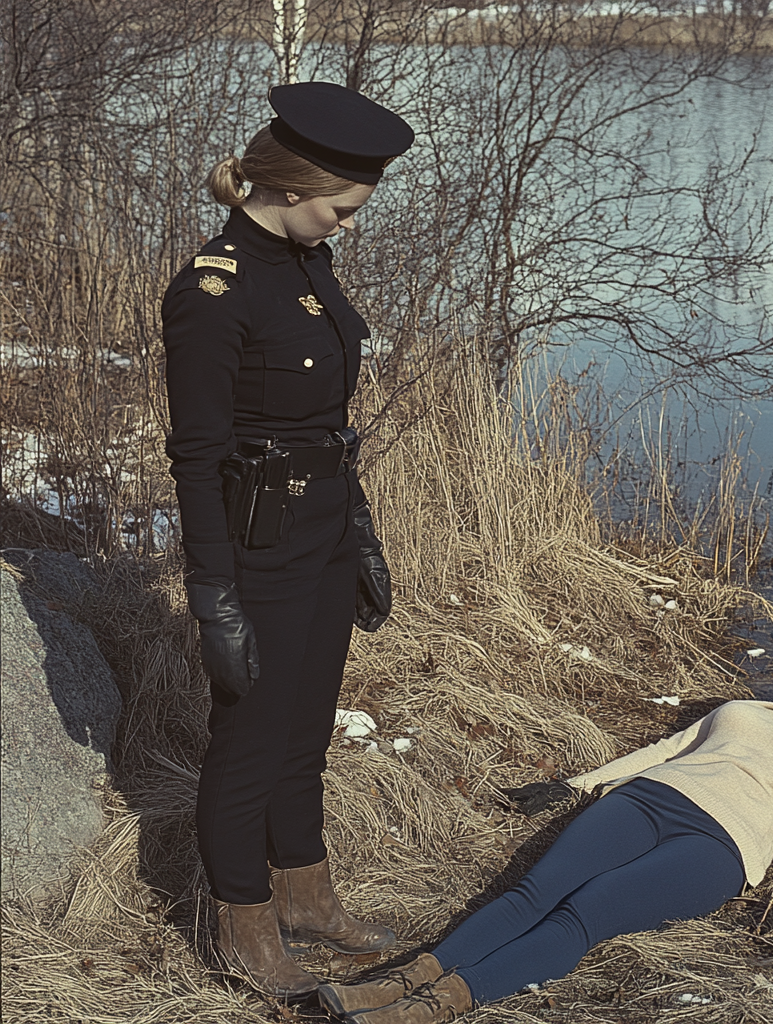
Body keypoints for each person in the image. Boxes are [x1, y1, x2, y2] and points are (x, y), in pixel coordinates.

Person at [162, 81, 414, 999]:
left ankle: (307, 898)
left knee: (304, 732)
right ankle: (245, 931)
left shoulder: (310, 262)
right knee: (251, 741)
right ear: (288, 185)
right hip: (256, 544)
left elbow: (328, 421)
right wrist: (213, 595)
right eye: (340, 209)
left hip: (323, 528)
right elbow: (195, 457)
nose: (347, 224)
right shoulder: (210, 292)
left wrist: (361, 531)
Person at [318, 660, 773, 1023]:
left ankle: (431, 1009)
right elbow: (663, 750)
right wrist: (576, 786)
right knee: (534, 890)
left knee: (585, 912)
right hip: (647, 798)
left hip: (720, 844)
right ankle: (402, 982)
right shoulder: (742, 709)